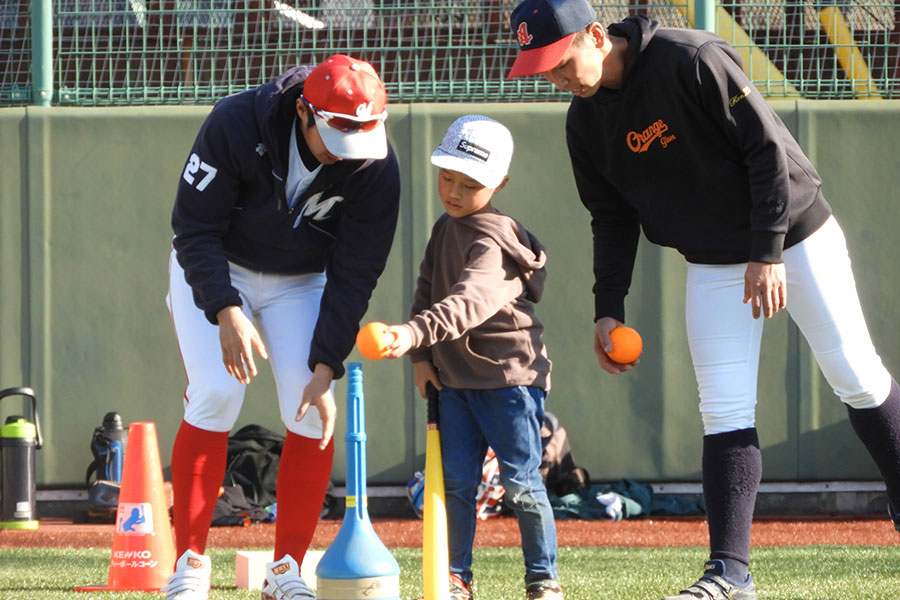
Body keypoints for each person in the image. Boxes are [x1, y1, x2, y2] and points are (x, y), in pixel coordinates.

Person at [506, 1, 900, 599]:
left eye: (558, 61)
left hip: (793, 233)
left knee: (856, 375)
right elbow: (611, 219)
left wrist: (767, 252)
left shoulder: (691, 57)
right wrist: (607, 306)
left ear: (594, 34)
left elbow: (765, 150)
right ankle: (729, 574)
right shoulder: (583, 123)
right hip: (713, 257)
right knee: (723, 408)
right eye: (542, 68)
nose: (554, 77)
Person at [163, 54, 401, 600]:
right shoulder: (235, 122)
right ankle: (190, 565)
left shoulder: (376, 164)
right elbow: (193, 229)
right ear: (303, 111)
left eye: (363, 132)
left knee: (311, 406)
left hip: (303, 279)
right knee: (217, 392)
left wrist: (327, 361)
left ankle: (285, 571)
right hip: (221, 266)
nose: (351, 148)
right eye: (339, 132)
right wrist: (226, 310)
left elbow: (356, 271)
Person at [379, 115, 564, 600]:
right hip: (455, 383)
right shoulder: (446, 228)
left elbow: (466, 302)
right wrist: (421, 356)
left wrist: (411, 333)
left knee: (522, 485)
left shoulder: (494, 242)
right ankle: (456, 577)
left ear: (499, 182)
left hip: (510, 383)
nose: (454, 191)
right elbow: (426, 291)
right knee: (456, 486)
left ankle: (543, 580)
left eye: (470, 183)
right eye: (446, 177)